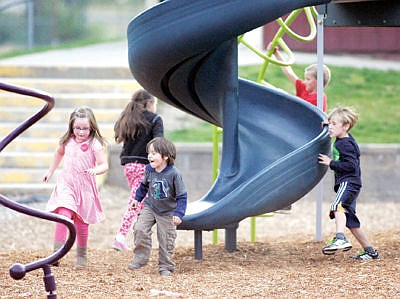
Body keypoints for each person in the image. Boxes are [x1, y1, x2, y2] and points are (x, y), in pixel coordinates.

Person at [43, 106, 109, 267]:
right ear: (71, 126)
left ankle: (81, 255)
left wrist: (96, 170)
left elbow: (104, 164)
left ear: (92, 127)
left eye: (85, 128)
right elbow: (59, 153)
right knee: (63, 216)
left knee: (81, 222)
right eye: (77, 128)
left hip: (85, 188)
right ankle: (56, 254)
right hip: (67, 184)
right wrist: (50, 171)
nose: (80, 132)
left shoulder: (94, 144)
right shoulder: (67, 140)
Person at [318, 107, 379, 260]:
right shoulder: (345, 139)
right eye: (330, 123)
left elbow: (351, 165)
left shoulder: (343, 144)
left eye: (334, 124)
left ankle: (340, 238)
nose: (330, 127)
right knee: (350, 220)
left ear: (345, 126)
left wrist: (331, 162)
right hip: (352, 183)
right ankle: (370, 251)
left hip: (348, 182)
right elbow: (338, 128)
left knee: (337, 207)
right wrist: (327, 125)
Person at [112, 89, 164, 252]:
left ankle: (141, 239)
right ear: (149, 103)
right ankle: (120, 236)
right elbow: (159, 143)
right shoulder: (155, 119)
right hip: (145, 166)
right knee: (137, 201)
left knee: (143, 201)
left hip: (129, 166)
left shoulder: (128, 117)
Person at [128, 137, 187, 276]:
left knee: (166, 239)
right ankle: (141, 258)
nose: (149, 156)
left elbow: (182, 196)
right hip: (150, 206)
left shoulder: (174, 174)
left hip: (167, 211)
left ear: (165, 156)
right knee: (140, 228)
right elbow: (143, 186)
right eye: (149, 153)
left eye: (154, 153)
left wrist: (178, 214)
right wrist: (137, 199)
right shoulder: (149, 170)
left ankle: (165, 266)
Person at [269, 44, 331, 112]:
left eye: (308, 79)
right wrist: (276, 53)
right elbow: (289, 73)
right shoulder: (305, 88)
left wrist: (284, 95)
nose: (305, 82)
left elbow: (298, 108)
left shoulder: (319, 99)